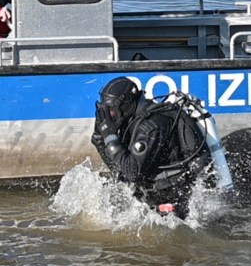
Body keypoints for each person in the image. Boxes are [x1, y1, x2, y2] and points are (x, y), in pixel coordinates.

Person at [91, 77, 213, 218]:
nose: (109, 115)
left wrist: (110, 139)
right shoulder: (132, 121)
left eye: (111, 110)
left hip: (172, 196)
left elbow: (131, 172)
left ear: (126, 104)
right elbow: (120, 169)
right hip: (151, 193)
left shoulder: (150, 127)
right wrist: (100, 137)